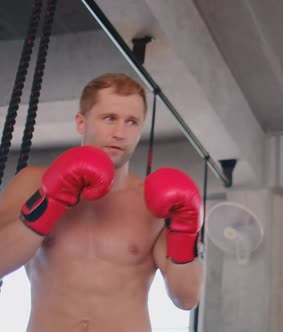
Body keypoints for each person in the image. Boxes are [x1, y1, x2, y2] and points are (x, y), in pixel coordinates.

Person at [0, 73, 204, 331]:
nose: (120, 133)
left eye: (132, 122)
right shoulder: (32, 183)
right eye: (109, 119)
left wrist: (186, 231)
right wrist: (49, 200)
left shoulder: (153, 202)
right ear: (81, 122)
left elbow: (186, 299)